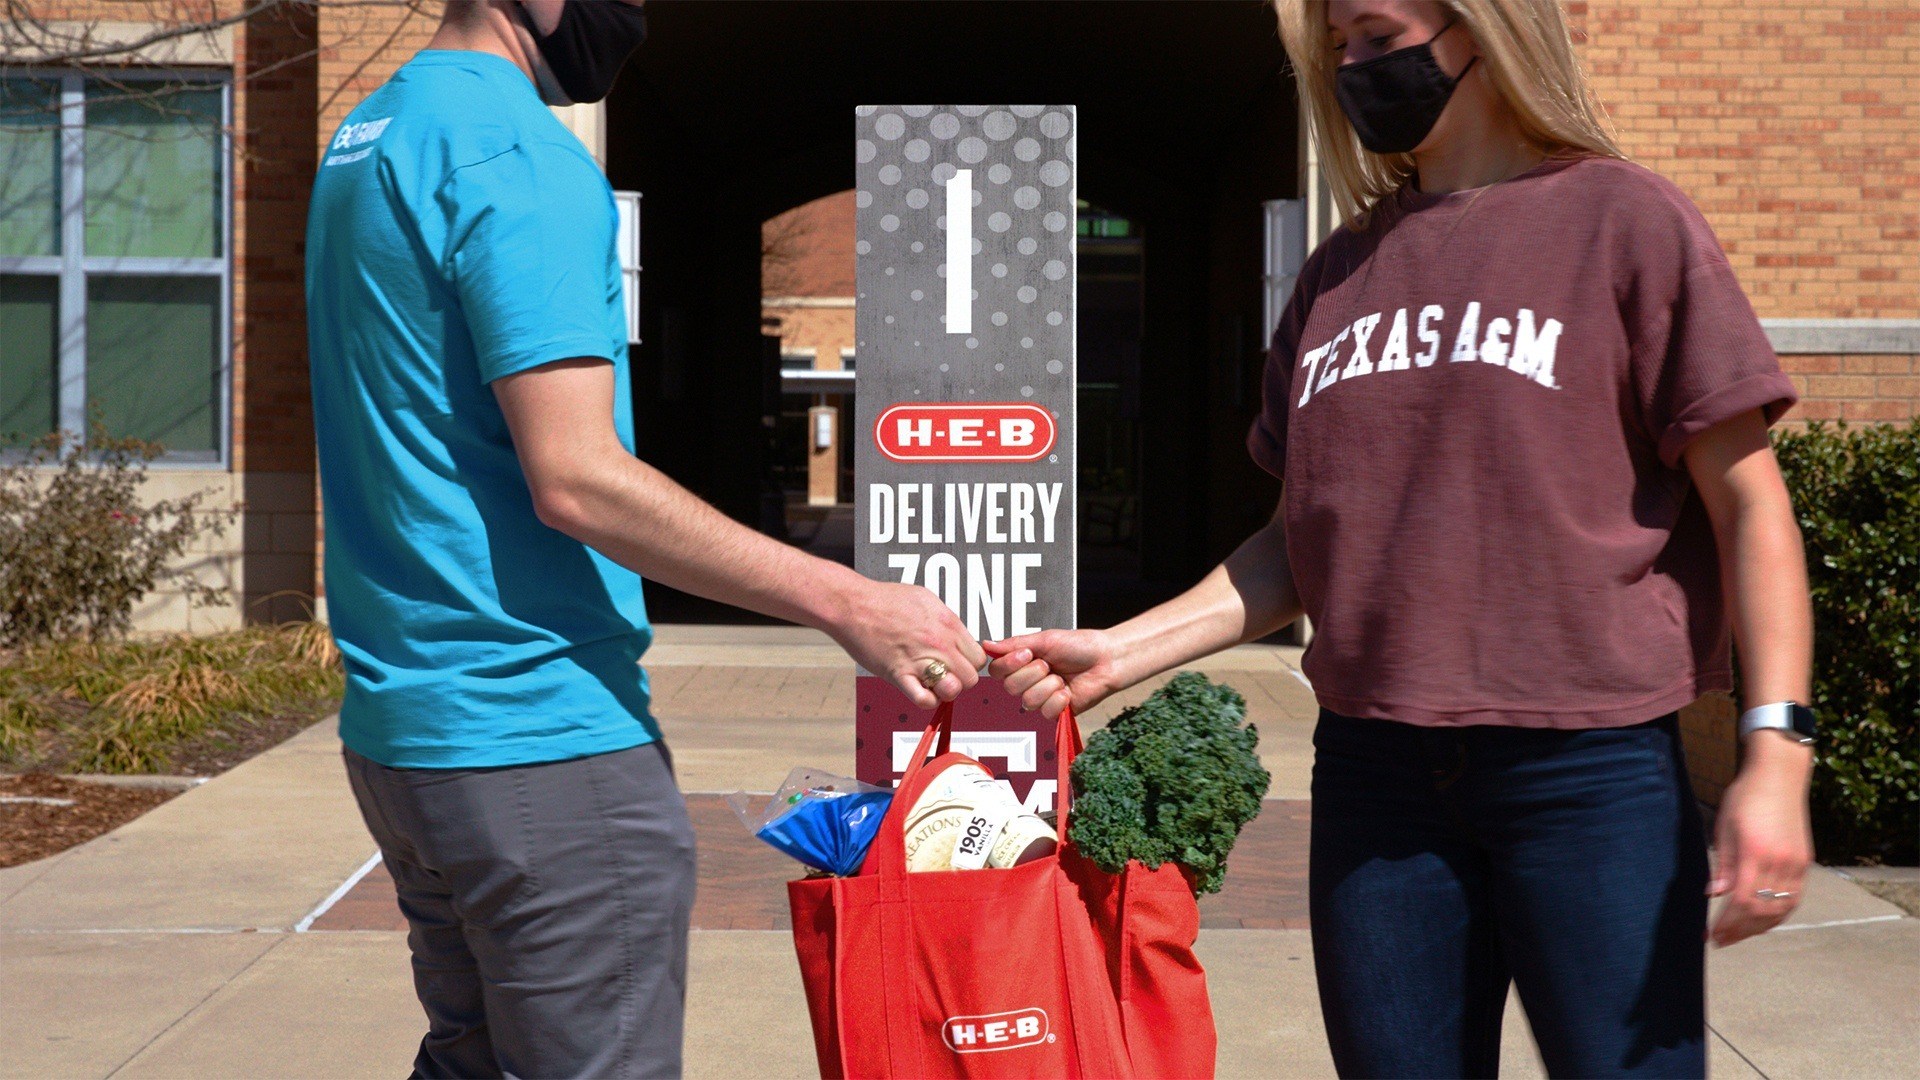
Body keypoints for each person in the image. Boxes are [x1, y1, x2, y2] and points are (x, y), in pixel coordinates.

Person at [983, 1, 1816, 1076]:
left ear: (1486, 30)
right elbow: (1303, 543)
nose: (1357, 72)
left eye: (1380, 38)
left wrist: (1775, 755)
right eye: (1337, 54)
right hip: (1377, 775)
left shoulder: (1627, 222)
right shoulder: (1338, 274)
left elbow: (1753, 508)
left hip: (1589, 769)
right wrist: (1122, 649)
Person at [305, 2, 984, 1076]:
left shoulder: (373, 136)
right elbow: (577, 479)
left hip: (407, 736)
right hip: (540, 736)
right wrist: (854, 601)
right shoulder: (518, 154)